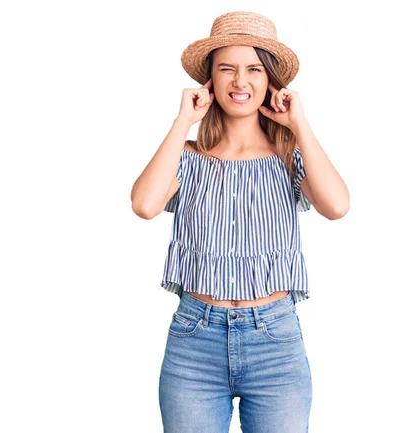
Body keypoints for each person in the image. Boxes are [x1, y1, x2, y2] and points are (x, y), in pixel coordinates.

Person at [130, 10, 349, 433]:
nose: (240, 81)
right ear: (209, 81)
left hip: (275, 341)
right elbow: (144, 204)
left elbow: (337, 206)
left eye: (253, 69)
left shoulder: (290, 159)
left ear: (270, 81)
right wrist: (183, 121)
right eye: (226, 69)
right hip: (195, 341)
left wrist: (299, 123)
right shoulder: (189, 158)